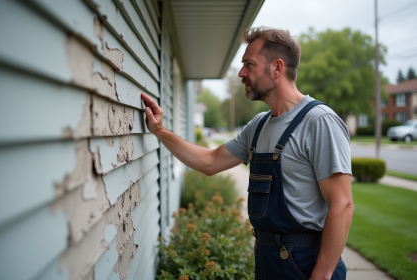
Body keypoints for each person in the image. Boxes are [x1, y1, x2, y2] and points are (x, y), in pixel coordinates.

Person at [141, 26, 353, 280]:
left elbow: (342, 204)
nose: (241, 73)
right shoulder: (259, 125)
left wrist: (322, 274)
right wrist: (160, 131)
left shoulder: (319, 122)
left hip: (306, 265)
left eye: (248, 64)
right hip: (267, 259)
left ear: (277, 68)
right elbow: (210, 161)